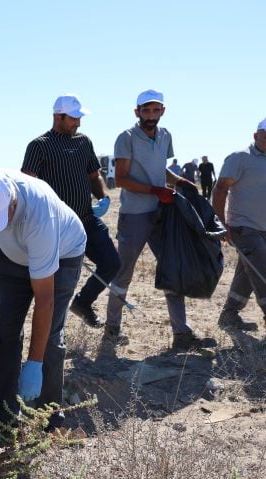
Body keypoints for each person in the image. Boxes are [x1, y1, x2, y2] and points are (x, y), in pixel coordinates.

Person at [0, 169, 85, 431]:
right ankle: (4, 415)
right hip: (12, 255)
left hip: (62, 254)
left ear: (13, 203)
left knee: (50, 336)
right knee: (5, 333)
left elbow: (45, 299)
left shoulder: (40, 217)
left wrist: (34, 363)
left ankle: (50, 414)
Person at [104, 90, 204, 350]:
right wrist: (154, 190)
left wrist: (178, 181)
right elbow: (123, 178)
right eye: (145, 111)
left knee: (173, 269)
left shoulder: (165, 136)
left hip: (162, 213)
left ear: (163, 111)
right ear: (136, 112)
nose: (150, 115)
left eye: (155, 110)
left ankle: (181, 333)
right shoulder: (125, 138)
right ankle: (112, 331)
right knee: (123, 273)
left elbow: (160, 169)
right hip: (135, 215)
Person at [21, 94, 120, 328]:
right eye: (74, 118)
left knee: (112, 263)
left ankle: (83, 302)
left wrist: (103, 197)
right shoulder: (39, 146)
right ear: (58, 116)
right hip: (55, 226)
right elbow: (28, 186)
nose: (78, 123)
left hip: (86, 219)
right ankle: (52, 329)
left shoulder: (83, 142)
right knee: (56, 282)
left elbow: (93, 176)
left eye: (79, 118)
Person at [212, 118, 266, 331]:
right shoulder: (239, 158)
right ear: (256, 136)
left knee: (247, 271)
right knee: (262, 269)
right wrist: (220, 223)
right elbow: (220, 189)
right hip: (244, 227)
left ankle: (229, 314)